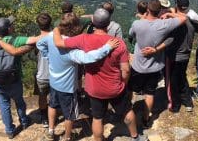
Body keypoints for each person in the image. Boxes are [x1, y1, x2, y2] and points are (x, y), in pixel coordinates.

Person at [53, 8, 148, 141]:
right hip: (115, 87)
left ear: (93, 22)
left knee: (97, 118)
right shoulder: (118, 43)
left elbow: (58, 43)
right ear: (108, 24)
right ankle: (135, 136)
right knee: (126, 110)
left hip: (94, 88)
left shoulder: (83, 39)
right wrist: (123, 83)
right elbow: (125, 70)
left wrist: (57, 28)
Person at [38, 12, 119, 141]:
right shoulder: (72, 50)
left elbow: (39, 44)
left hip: (53, 81)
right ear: (76, 28)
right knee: (69, 114)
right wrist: (107, 47)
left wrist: (48, 57)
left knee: (52, 105)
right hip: (67, 87)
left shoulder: (52, 36)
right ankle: (67, 137)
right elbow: (90, 57)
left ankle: (51, 131)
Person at [142, 0, 198, 113]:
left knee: (171, 81)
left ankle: (174, 105)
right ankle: (188, 102)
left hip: (173, 56)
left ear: (176, 5)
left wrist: (156, 48)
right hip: (186, 55)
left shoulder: (172, 22)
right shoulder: (192, 21)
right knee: (182, 77)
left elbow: (167, 38)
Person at [128, 0, 186, 128]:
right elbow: (183, 18)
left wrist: (142, 18)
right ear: (160, 11)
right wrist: (170, 14)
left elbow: (130, 35)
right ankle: (145, 118)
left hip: (138, 66)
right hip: (155, 67)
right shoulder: (164, 24)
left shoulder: (137, 24)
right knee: (150, 94)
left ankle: (128, 112)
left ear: (147, 10)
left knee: (131, 89)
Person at [0, 16, 40, 139]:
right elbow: (36, 39)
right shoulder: (17, 40)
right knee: (19, 102)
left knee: (4, 106)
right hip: (14, 80)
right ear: (8, 29)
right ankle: (24, 122)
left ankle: (9, 131)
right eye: (11, 25)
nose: (13, 26)